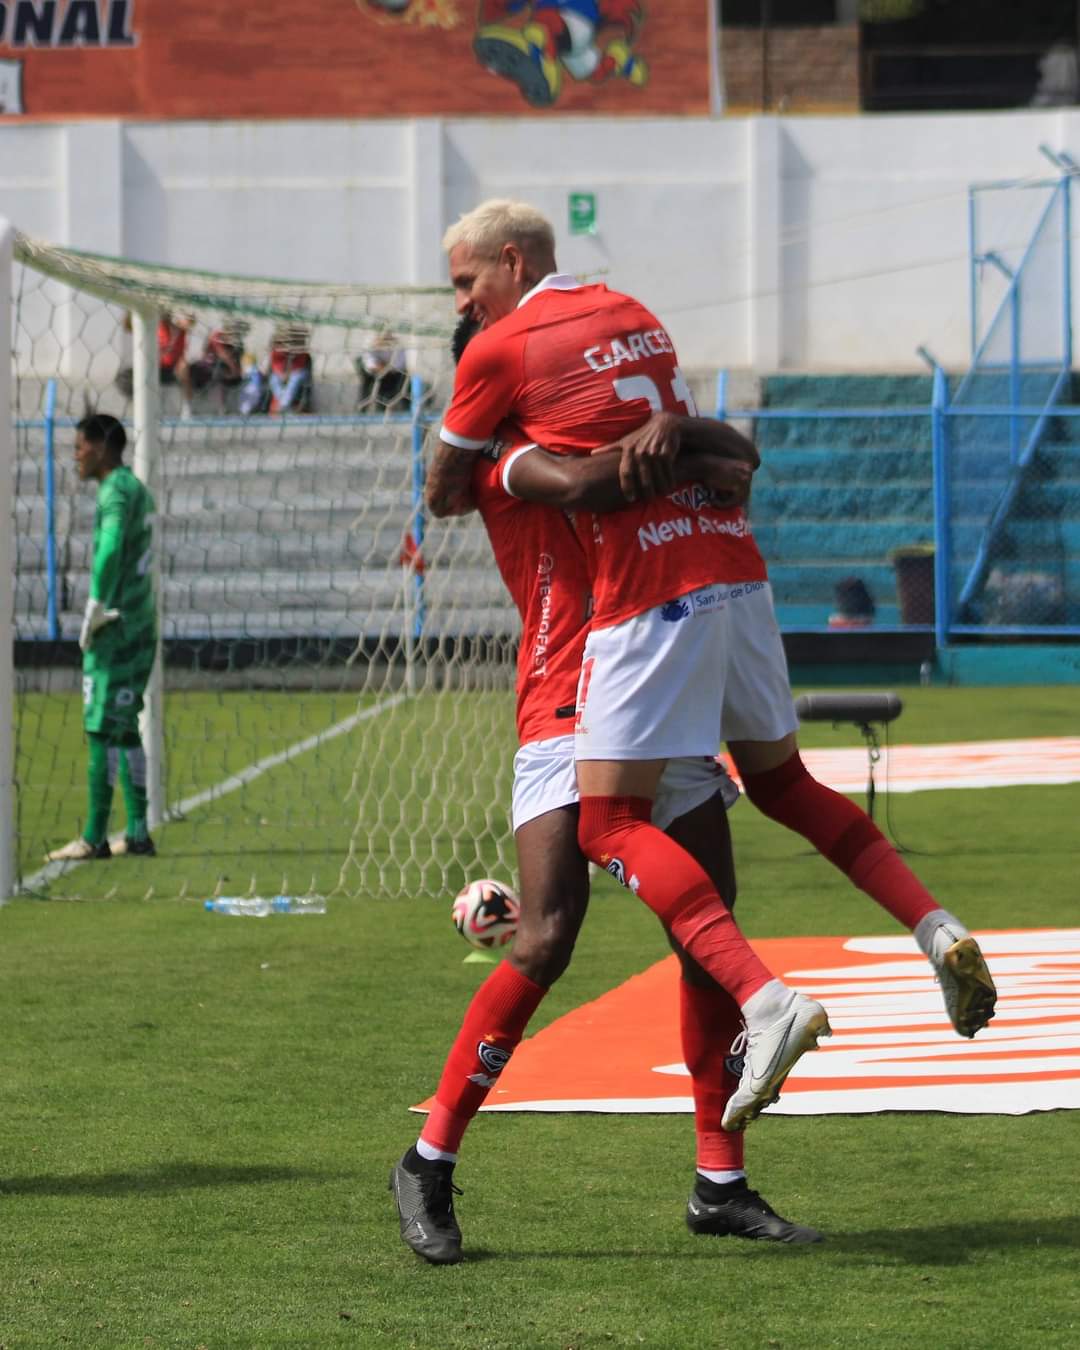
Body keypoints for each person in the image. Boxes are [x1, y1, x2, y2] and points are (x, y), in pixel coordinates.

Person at [430, 200, 995, 1086]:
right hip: (729, 571)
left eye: (467, 284)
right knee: (782, 790)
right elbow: (734, 454)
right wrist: (690, 446)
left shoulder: (505, 404)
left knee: (597, 853)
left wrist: (665, 449)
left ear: (508, 265)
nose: (465, 303)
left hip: (623, 634)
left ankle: (764, 1010)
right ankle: (935, 927)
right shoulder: (630, 317)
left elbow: (527, 485)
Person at [391, 318, 820, 1266]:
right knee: (546, 935)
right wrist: (672, 438)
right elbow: (607, 479)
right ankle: (429, 1160)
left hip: (654, 682)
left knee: (707, 929)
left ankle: (721, 1180)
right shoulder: (522, 458)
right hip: (565, 702)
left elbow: (734, 464)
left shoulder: (594, 430)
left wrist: (691, 441)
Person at [46, 415, 158, 863]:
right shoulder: (136, 489)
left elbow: (110, 546)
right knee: (125, 725)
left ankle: (93, 837)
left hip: (115, 627)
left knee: (99, 727)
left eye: (79, 446)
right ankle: (137, 833)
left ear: (101, 447)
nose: (75, 454)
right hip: (139, 624)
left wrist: (94, 605)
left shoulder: (115, 492)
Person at [189, 320, 247, 409]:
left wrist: (235, 372)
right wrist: (234, 370)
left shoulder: (235, 342)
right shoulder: (217, 337)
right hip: (216, 371)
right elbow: (223, 355)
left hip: (229, 374)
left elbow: (235, 358)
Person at [356, 332, 409, 411]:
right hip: (373, 374)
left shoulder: (398, 345)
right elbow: (370, 365)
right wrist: (382, 367)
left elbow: (398, 366)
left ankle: (400, 409)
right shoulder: (370, 343)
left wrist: (384, 366)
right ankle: (362, 411)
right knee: (368, 385)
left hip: (393, 374)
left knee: (399, 383)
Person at [268, 323, 313, 414]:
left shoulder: (303, 354)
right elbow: (276, 369)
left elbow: (298, 368)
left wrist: (287, 372)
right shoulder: (277, 352)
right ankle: (284, 404)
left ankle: (284, 404)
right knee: (274, 379)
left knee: (295, 378)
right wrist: (283, 374)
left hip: (297, 375)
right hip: (283, 376)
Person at [158, 311, 194, 417]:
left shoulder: (182, 333)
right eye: (188, 320)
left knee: (184, 367)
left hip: (173, 367)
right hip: (159, 365)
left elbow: (181, 354)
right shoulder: (164, 326)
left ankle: (186, 407)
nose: (189, 324)